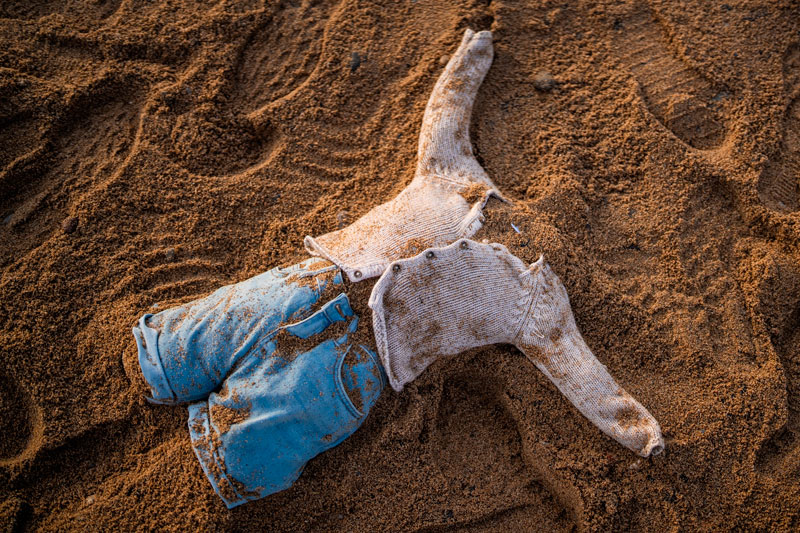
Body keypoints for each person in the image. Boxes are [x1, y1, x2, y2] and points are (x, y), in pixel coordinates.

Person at [127, 29, 664, 509]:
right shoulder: (455, 175)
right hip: (307, 280)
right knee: (173, 348)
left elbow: (581, 371)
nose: (556, 202)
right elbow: (447, 112)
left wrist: (638, 431)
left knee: (236, 455)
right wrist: (473, 51)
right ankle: (160, 369)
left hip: (354, 364)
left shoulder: (538, 294)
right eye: (558, 197)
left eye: (567, 212)